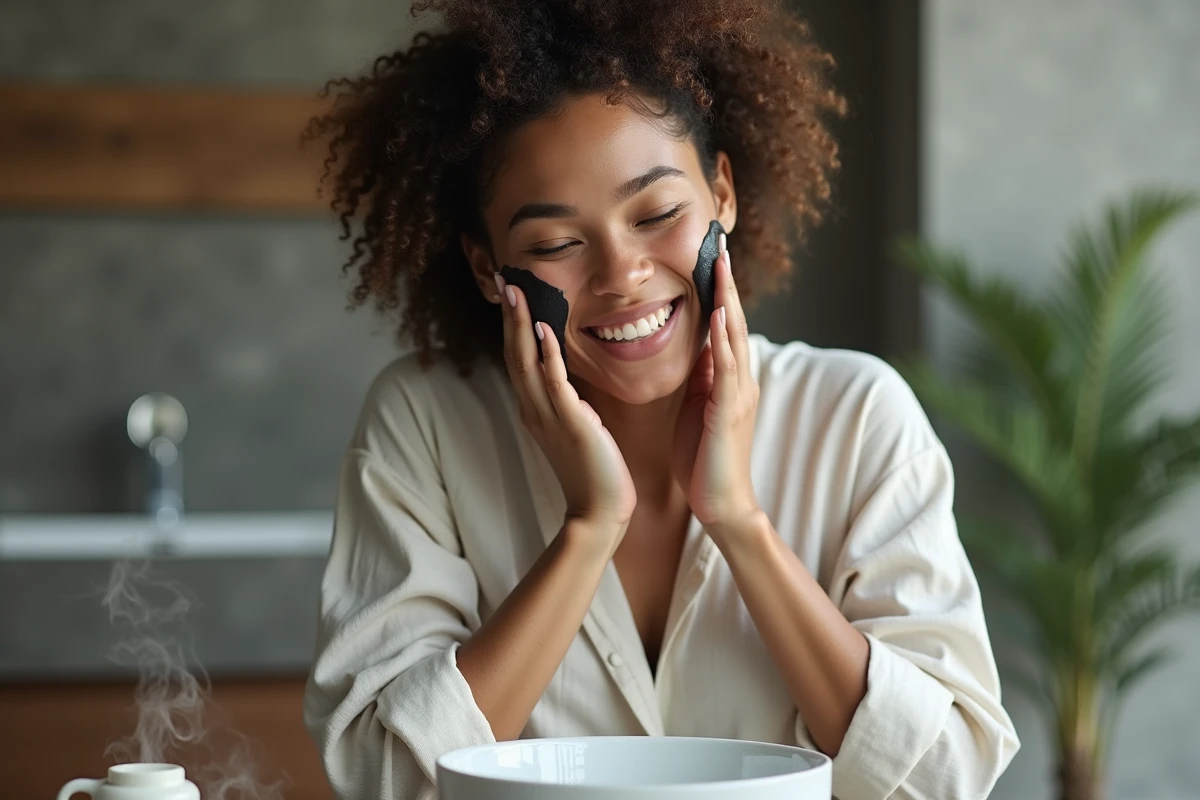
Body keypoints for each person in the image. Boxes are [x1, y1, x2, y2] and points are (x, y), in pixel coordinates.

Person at [302, 1, 1020, 798]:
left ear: (723, 194)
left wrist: (740, 523)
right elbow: (382, 778)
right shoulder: (425, 425)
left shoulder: (855, 416)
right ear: (486, 266)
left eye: (658, 214)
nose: (622, 274)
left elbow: (947, 777)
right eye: (555, 244)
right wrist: (588, 530)